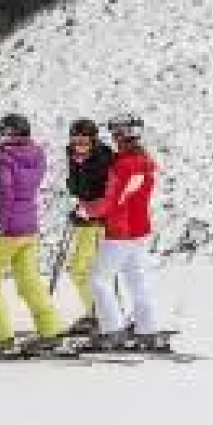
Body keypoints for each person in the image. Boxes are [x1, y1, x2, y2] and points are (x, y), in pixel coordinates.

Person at [0, 114, 64, 358]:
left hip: (9, 229)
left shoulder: (5, 159)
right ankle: (50, 331)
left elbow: (5, 194)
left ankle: (0, 338)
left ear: (11, 133)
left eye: (2, 132)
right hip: (30, 226)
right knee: (29, 281)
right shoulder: (37, 155)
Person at [76, 113, 167, 352]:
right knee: (137, 281)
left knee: (98, 280)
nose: (114, 138)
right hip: (140, 229)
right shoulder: (145, 161)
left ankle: (112, 330)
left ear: (124, 135)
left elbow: (112, 200)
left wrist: (85, 211)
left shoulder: (123, 165)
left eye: (116, 133)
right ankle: (148, 330)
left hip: (120, 232)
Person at [63, 117, 115, 335]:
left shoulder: (103, 159)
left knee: (85, 269)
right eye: (75, 141)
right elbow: (79, 189)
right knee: (80, 269)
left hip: (99, 222)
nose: (79, 146)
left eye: (84, 141)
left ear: (94, 141)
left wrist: (92, 213)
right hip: (86, 219)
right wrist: (79, 210)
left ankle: (102, 315)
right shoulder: (76, 158)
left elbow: (109, 195)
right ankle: (96, 312)